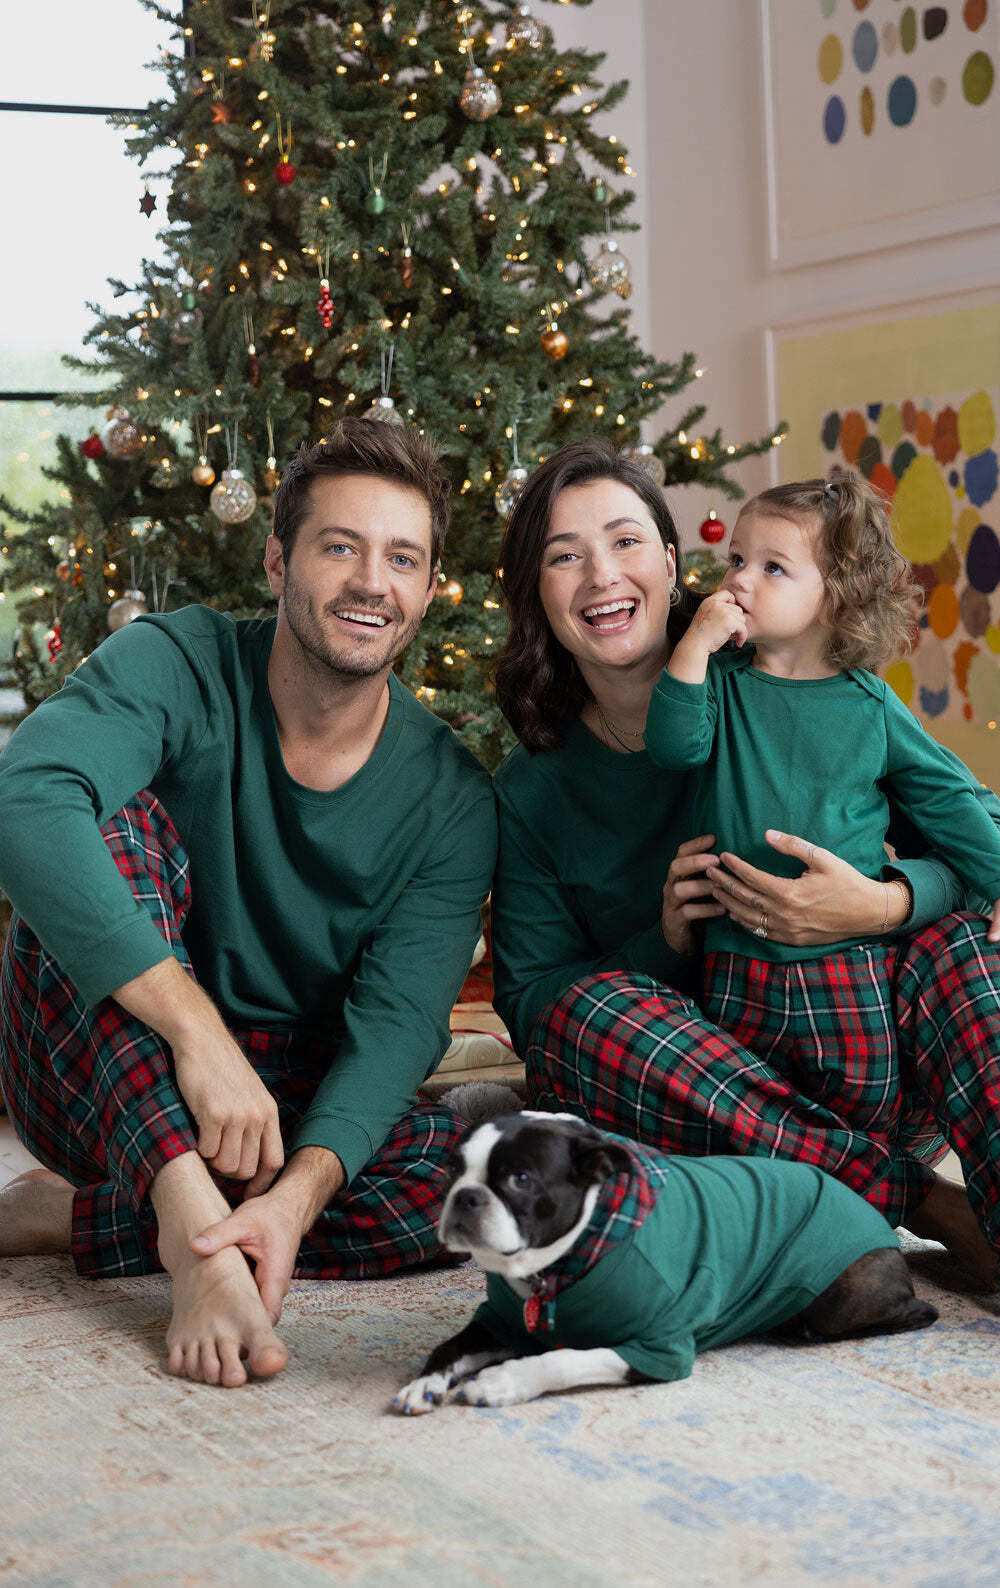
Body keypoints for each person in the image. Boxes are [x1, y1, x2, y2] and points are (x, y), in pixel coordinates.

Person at [0, 418, 497, 1387]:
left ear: (429, 590)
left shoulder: (450, 794)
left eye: (401, 558)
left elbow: (397, 1027)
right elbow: (23, 798)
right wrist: (194, 1030)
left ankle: (73, 1215)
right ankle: (189, 1233)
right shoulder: (177, 661)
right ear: (278, 559)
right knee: (109, 825)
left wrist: (294, 1201)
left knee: (455, 1179)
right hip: (97, 1058)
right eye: (339, 546)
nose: (371, 581)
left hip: (271, 1103)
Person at [489, 438, 1000, 1288]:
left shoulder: (787, 673)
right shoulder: (532, 786)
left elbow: (974, 827)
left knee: (959, 949)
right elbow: (534, 1001)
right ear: (537, 592)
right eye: (563, 556)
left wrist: (883, 904)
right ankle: (919, 1204)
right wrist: (664, 939)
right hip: (703, 1100)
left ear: (669, 557)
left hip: (865, 1044)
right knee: (587, 1014)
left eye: (624, 541)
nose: (601, 578)